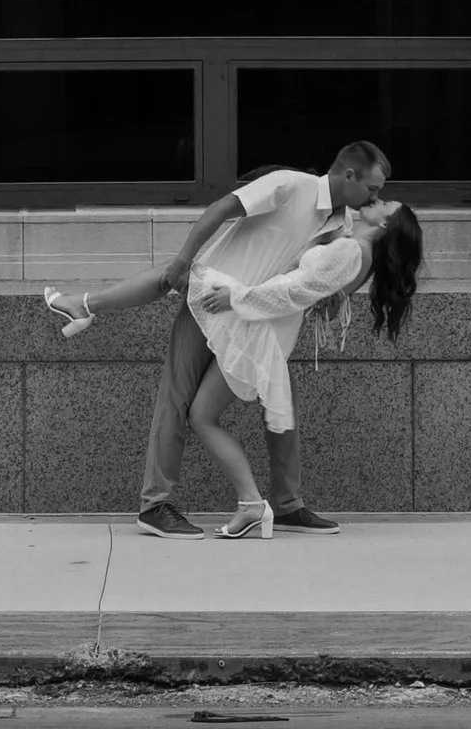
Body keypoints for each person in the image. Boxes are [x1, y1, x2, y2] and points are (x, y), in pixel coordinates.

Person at [47, 143, 392, 538]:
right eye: (372, 189)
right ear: (348, 175)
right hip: (211, 303)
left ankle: (287, 505)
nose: (374, 198)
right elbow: (222, 207)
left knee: (282, 405)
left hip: (257, 327)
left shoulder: (343, 227)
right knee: (178, 397)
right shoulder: (291, 185)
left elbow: (310, 283)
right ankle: (155, 504)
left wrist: (332, 296)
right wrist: (183, 260)